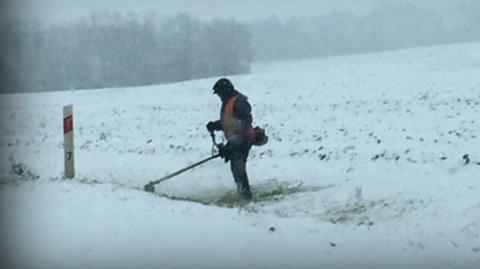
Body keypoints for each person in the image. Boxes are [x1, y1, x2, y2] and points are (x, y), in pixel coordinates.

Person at [206, 78, 254, 199]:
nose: (219, 97)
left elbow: (243, 122)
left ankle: (245, 195)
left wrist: (232, 144)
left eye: (219, 94)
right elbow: (229, 122)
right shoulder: (229, 101)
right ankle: (244, 192)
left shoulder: (239, 102)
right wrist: (214, 125)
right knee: (237, 168)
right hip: (235, 140)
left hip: (243, 140)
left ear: (224, 91)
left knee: (238, 168)